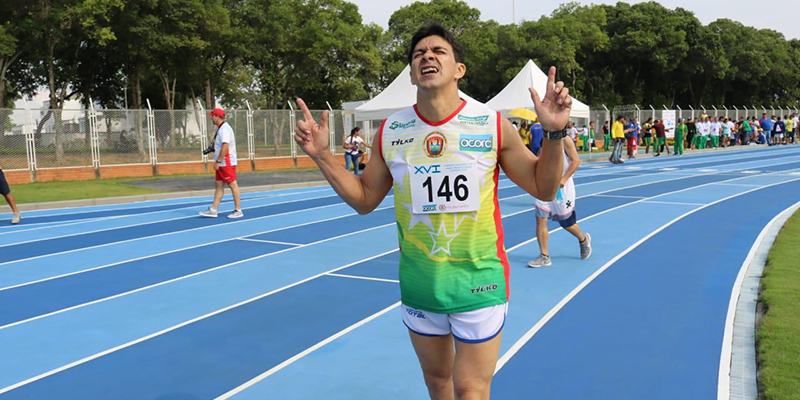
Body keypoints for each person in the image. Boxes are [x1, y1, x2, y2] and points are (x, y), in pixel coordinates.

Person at [292, 22, 570, 400]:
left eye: (439, 51)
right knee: (438, 385)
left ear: (459, 69)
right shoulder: (392, 130)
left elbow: (545, 186)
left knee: (470, 388)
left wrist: (554, 133)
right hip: (421, 283)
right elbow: (364, 199)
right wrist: (323, 156)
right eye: (419, 53)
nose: (427, 56)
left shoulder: (490, 124)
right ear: (411, 72)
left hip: (478, 282)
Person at [527, 136, 591, 268]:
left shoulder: (565, 140)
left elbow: (575, 161)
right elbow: (540, 157)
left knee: (566, 223)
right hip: (544, 185)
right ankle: (544, 256)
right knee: (540, 218)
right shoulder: (544, 138)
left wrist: (563, 179)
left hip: (562, 187)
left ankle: (583, 239)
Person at [199, 108, 244, 219]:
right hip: (222, 163)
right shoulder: (221, 129)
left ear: (217, 117)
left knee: (233, 184)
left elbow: (225, 146)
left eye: (212, 116)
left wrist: (218, 161)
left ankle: (238, 210)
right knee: (219, 185)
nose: (211, 118)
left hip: (226, 162)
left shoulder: (224, 129)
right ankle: (213, 209)